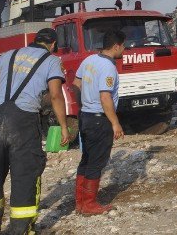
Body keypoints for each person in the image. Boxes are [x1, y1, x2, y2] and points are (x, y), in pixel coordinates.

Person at [0, 27, 71, 235]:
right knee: (25, 176)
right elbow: (56, 95)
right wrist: (64, 126)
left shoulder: (7, 56)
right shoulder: (51, 61)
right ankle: (20, 230)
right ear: (52, 45)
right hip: (22, 123)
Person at [74, 29, 125, 216]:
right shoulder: (108, 67)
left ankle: (79, 202)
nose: (124, 50)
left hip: (86, 116)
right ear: (116, 46)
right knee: (96, 162)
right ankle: (89, 204)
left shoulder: (88, 60)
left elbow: (76, 84)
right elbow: (105, 97)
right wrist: (115, 123)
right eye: (123, 46)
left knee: (86, 160)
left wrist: (83, 104)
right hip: (98, 119)